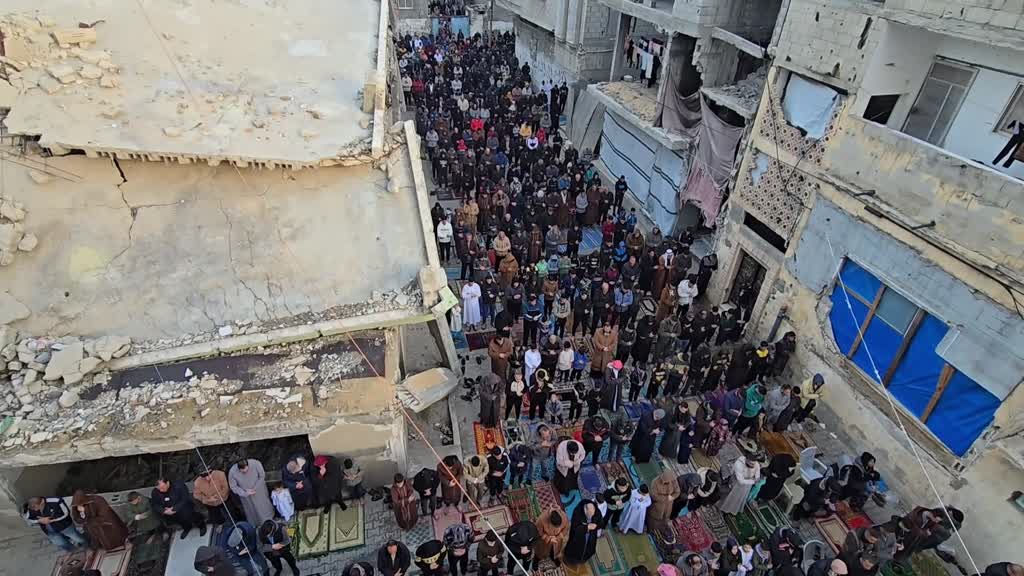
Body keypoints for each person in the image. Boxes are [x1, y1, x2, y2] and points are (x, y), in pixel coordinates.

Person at [229, 458, 275, 526]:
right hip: (246, 497)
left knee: (264, 506)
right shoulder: (232, 472)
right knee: (251, 510)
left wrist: (255, 488)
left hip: (260, 491)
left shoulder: (256, 463)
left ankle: (269, 518)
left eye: (246, 470)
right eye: (243, 471)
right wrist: (244, 493)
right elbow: (233, 486)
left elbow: (262, 476)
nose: (245, 472)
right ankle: (256, 524)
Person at [565, 500, 602, 564]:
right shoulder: (577, 512)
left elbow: (601, 523)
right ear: (585, 510)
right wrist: (586, 527)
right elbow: (575, 529)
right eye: (589, 515)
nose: (590, 518)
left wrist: (596, 525)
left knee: (588, 549)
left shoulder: (596, 512)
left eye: (592, 515)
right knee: (574, 552)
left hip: (590, 538)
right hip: (578, 539)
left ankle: (582, 559)